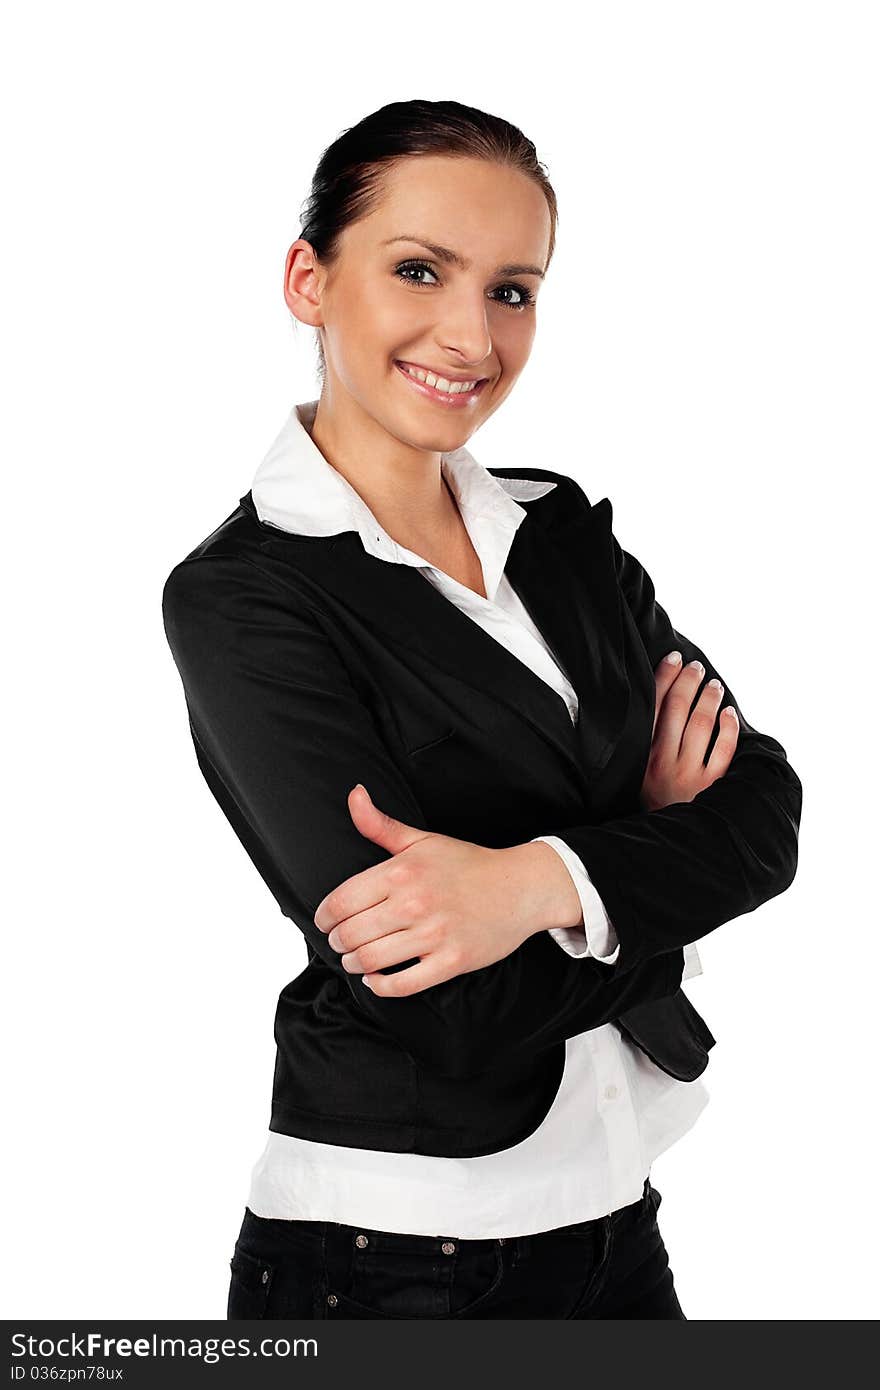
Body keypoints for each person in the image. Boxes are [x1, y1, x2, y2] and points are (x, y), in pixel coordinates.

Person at [161, 99, 802, 1320]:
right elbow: (455, 1005)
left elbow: (768, 813)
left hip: (619, 1213)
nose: (472, 335)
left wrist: (530, 889)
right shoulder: (245, 598)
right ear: (309, 279)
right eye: (419, 270)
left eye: (513, 289)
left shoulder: (554, 529)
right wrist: (659, 848)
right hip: (389, 1252)